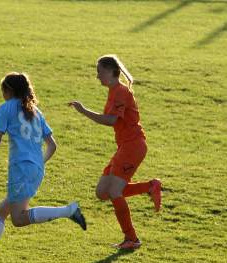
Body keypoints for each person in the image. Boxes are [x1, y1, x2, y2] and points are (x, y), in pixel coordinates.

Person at [0, 72, 86, 263]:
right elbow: (52, 146)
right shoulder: (37, 112)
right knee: (0, 213)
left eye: (2, 90)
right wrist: (36, 164)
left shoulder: (6, 108)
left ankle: (68, 211)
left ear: (9, 90)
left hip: (20, 169)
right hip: (36, 169)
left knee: (19, 219)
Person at [68, 55, 161, 250]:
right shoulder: (113, 91)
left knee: (114, 191)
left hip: (133, 146)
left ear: (111, 71)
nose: (97, 76)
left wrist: (84, 111)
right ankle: (149, 187)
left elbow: (111, 120)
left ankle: (132, 239)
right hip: (125, 146)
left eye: (99, 71)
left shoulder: (121, 92)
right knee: (103, 192)